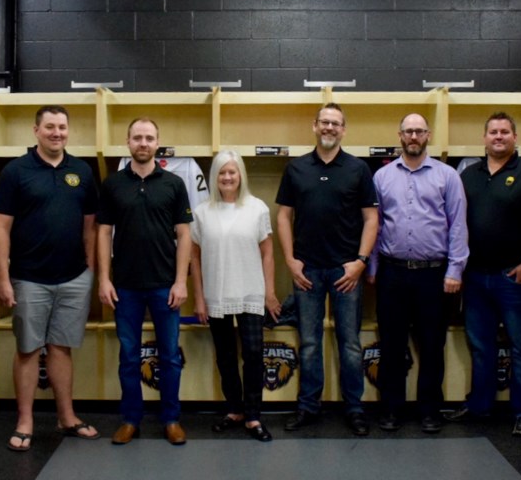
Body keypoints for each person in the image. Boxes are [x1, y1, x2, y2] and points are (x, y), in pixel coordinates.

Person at [0, 106, 100, 452]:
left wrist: (91, 271)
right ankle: (25, 420)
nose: (57, 133)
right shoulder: (16, 171)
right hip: (28, 278)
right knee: (27, 349)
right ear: (36, 130)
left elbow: (90, 225)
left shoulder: (82, 170)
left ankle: (66, 416)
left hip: (73, 277)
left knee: (61, 348)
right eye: (50, 127)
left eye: (62, 127)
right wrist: (2, 277)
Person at [448, 112, 521, 437]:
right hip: (476, 276)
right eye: (493, 131)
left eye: (505, 132)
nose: (498, 136)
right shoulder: (468, 175)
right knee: (481, 345)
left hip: (514, 277)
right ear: (484, 138)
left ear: (515, 138)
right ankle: (480, 405)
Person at [276, 103, 379, 436]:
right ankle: (308, 407)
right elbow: (282, 216)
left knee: (349, 343)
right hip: (307, 272)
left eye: (336, 123)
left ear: (344, 129)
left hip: (345, 272)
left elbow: (371, 219)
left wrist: (360, 262)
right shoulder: (296, 169)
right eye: (325, 122)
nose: (330, 128)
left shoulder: (358, 169)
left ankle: (354, 408)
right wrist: (290, 260)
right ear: (315, 126)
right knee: (308, 343)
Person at [369, 113, 468, 434]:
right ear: (399, 135)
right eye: (408, 131)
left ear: (428, 135)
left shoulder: (448, 176)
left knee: (431, 344)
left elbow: (458, 226)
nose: (414, 136)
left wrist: (455, 269)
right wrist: (371, 267)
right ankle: (391, 409)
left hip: (434, 276)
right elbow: (375, 225)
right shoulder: (382, 177)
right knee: (392, 345)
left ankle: (430, 410)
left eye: (419, 131)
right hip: (392, 273)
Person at [97, 118, 193, 445]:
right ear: (128, 142)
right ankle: (130, 419)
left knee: (168, 356)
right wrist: (104, 279)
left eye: (149, 138)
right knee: (128, 356)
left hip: (165, 285)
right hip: (124, 287)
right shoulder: (112, 185)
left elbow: (184, 234)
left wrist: (181, 281)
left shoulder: (174, 184)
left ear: (157, 142)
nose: (143, 143)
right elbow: (103, 232)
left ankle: (171, 419)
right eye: (137, 137)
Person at [190, 151, 282, 442]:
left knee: (254, 354)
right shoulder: (202, 212)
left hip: (250, 291)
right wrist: (200, 298)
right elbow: (194, 256)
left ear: (241, 174)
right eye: (221, 173)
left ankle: (253, 415)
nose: (227, 177)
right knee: (226, 355)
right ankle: (234, 410)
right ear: (214, 177)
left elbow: (268, 253)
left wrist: (269, 292)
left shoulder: (257, 208)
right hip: (216, 292)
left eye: (232, 172)